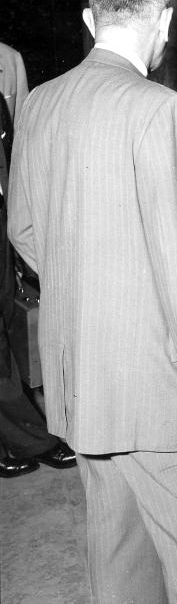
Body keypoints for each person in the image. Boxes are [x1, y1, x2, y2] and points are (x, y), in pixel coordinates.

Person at [8, 0, 177, 604]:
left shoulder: (43, 104)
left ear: (90, 17)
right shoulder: (160, 109)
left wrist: (92, 289)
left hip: (80, 381)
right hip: (156, 392)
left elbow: (24, 230)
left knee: (118, 551)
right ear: (164, 21)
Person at [0, 40, 75, 477]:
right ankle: (23, 436)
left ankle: (24, 432)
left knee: (11, 312)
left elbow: (20, 142)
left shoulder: (8, 61)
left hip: (5, 208)